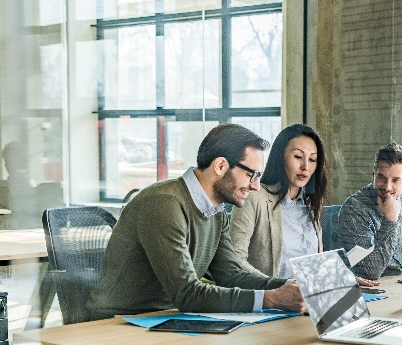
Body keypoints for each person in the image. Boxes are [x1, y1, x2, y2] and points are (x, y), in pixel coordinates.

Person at [87, 124, 305, 321]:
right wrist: (271, 299)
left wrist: (289, 286)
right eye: (252, 175)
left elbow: (231, 276)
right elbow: (187, 293)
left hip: (165, 320)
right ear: (220, 166)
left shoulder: (216, 212)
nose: (256, 186)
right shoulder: (164, 203)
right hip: (116, 324)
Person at [230, 124, 377, 287]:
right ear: (280, 157)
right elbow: (235, 261)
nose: (306, 167)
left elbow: (313, 267)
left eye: (312, 159)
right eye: (298, 157)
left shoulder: (312, 202)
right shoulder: (254, 197)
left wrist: (339, 276)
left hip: (309, 298)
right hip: (270, 300)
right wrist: (280, 284)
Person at [337, 142, 402, 280]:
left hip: (400, 283)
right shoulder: (354, 208)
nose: (387, 187)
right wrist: (390, 220)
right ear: (373, 175)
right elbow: (369, 271)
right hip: (368, 287)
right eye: (381, 178)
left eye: (395, 180)